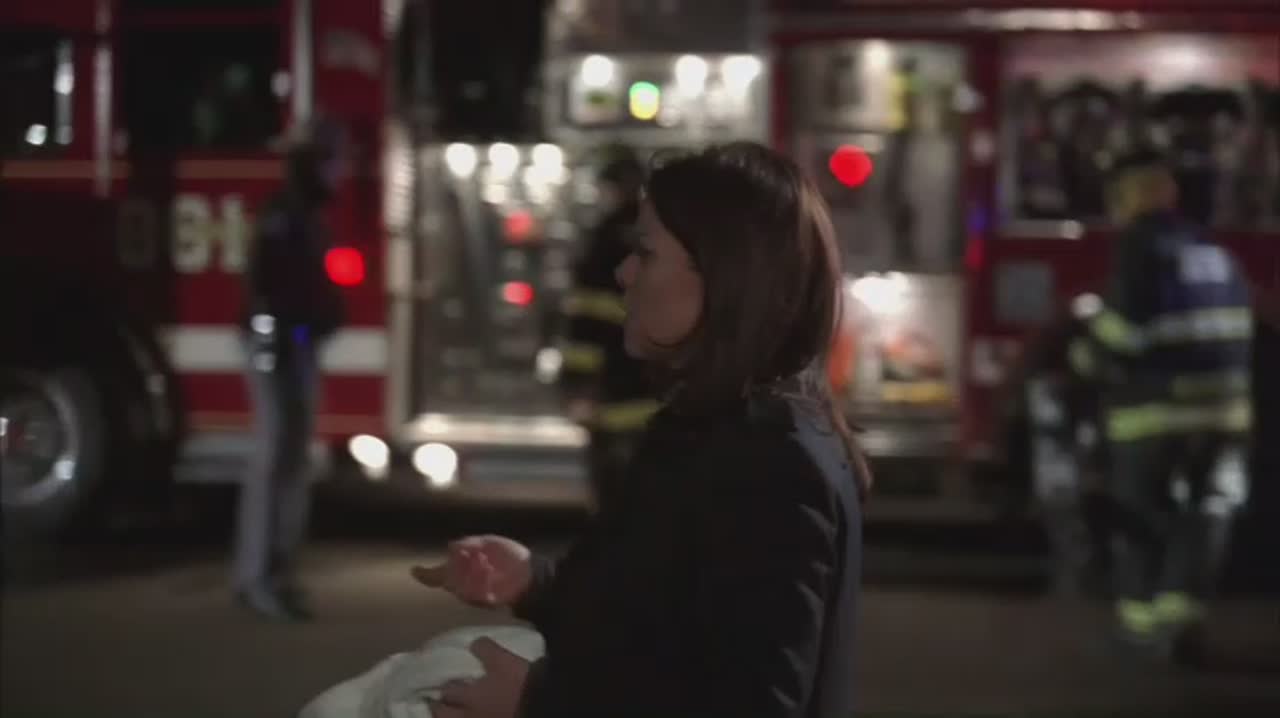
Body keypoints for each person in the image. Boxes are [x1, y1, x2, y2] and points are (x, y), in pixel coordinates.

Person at [412, 142, 871, 718]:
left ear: (724, 276)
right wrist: (532, 581)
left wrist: (541, 701)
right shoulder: (708, 427)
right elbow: (656, 617)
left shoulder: (770, 463)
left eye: (646, 254)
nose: (624, 272)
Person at [1068, 148, 1253, 662]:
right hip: (1224, 417)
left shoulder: (1139, 247)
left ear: (1129, 199)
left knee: (1140, 519)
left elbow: (1122, 335)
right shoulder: (1215, 252)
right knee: (1204, 517)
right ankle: (1182, 621)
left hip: (1154, 414)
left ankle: (1140, 628)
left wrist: (1084, 357)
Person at [234, 116, 347, 622]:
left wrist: (321, 320)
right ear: (314, 163)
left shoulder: (307, 214)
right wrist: (274, 342)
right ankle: (256, 578)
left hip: (296, 344)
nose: (341, 172)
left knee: (294, 462)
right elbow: (266, 286)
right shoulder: (285, 214)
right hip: (278, 346)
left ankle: (278, 572)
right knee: (274, 457)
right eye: (334, 161)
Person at [557, 144, 659, 514]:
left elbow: (588, 321)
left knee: (615, 499)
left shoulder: (605, 240)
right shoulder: (669, 236)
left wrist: (577, 384)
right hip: (660, 395)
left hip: (616, 393)